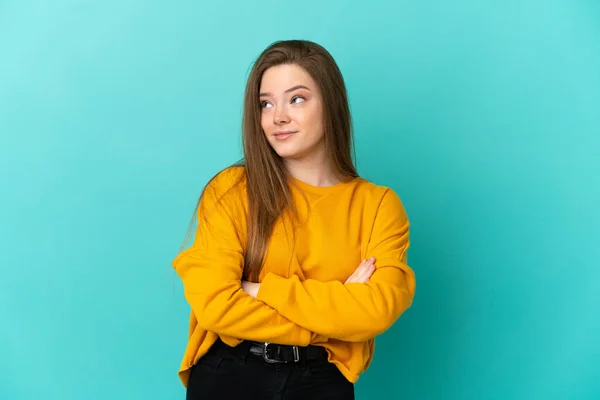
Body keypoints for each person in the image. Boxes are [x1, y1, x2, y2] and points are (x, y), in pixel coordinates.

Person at [172, 39, 416, 400]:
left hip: (322, 382)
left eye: (296, 99)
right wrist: (335, 318)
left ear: (330, 104)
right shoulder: (232, 190)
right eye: (265, 103)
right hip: (230, 375)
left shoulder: (377, 205)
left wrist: (259, 289)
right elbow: (215, 305)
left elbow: (376, 311)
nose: (278, 116)